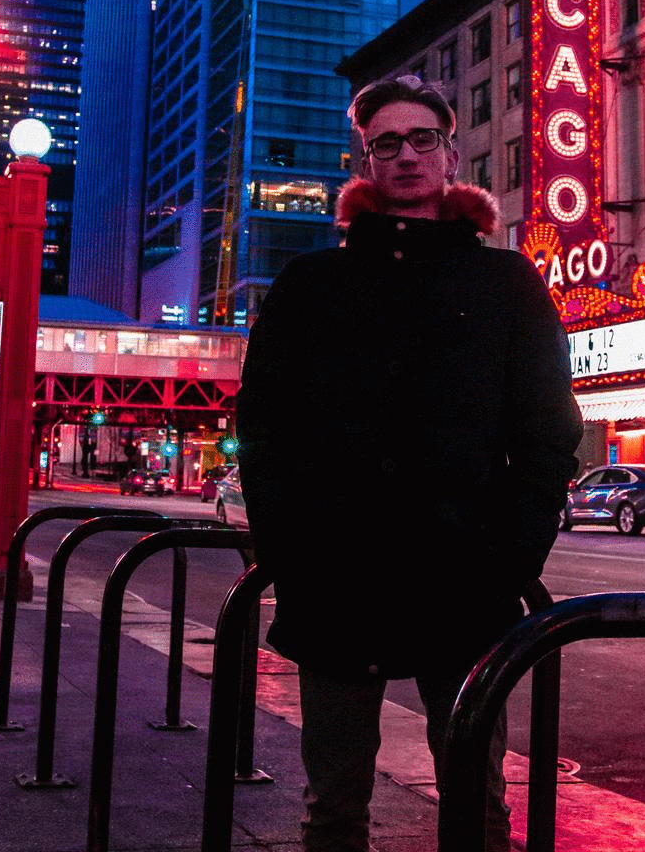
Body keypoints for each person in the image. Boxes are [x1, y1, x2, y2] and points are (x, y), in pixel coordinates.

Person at [236, 75, 583, 852]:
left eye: (421, 138)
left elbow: (547, 431)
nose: (405, 155)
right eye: (385, 142)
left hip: (464, 580)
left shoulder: (505, 282)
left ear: (451, 155)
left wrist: (511, 558)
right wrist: (289, 551)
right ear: (365, 161)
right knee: (332, 805)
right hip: (334, 578)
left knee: (475, 800)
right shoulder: (310, 283)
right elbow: (263, 428)